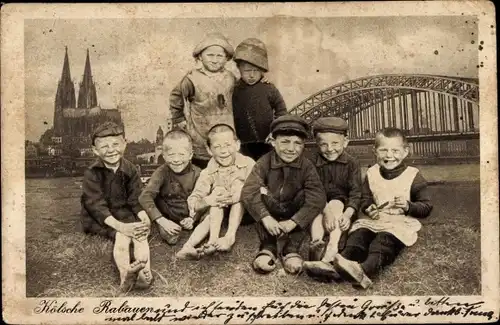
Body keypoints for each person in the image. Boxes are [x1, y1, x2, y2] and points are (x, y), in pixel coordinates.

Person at [332, 127, 433, 289]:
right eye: (383, 150)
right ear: (375, 152)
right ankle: (341, 264)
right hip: (375, 221)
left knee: (382, 243)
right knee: (358, 236)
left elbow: (426, 206)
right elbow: (365, 198)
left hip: (398, 224)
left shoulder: (413, 175)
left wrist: (408, 206)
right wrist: (368, 207)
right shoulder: (372, 173)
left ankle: (365, 271)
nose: (389, 155)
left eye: (395, 150)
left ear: (405, 152)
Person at [241, 115, 327, 275]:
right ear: (273, 142)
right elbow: (249, 191)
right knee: (258, 195)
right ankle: (268, 247)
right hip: (271, 211)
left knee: (308, 199)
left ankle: (291, 249)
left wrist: (295, 221)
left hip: (294, 211)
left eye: (297, 143)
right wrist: (265, 217)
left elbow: (318, 197)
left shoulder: (307, 166)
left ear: (303, 146)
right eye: (285, 142)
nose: (291, 148)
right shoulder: (263, 162)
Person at [80, 122, 152, 292]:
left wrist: (144, 217)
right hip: (99, 219)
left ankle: (144, 274)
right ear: (95, 151)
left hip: (124, 214)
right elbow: (95, 205)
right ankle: (125, 276)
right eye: (104, 147)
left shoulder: (131, 169)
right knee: (122, 237)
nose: (111, 150)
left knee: (140, 235)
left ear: (124, 144)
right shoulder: (92, 173)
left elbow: (135, 199)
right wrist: (121, 227)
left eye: (115, 144)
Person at [176, 124, 255, 259]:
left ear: (237, 145)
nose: (223, 151)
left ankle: (229, 237)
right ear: (209, 150)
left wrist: (235, 197)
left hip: (244, 210)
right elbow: (194, 200)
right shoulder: (208, 171)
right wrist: (209, 200)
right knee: (217, 193)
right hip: (218, 212)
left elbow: (257, 188)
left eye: (227, 145)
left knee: (239, 185)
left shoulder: (248, 163)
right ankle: (192, 246)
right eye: (217, 147)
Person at [302, 117, 362, 281]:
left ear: (345, 142)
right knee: (317, 211)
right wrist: (325, 210)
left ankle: (331, 246)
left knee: (336, 204)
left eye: (335, 143)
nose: (330, 149)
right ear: (316, 143)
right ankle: (317, 244)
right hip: (317, 204)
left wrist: (348, 214)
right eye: (324, 144)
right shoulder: (311, 162)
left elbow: (356, 193)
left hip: (341, 207)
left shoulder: (352, 163)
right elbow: (313, 190)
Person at [169, 32, 237, 169]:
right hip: (201, 132)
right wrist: (178, 119)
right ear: (200, 56)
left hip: (225, 130)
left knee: (226, 167)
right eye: (210, 55)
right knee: (203, 170)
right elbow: (176, 96)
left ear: (226, 58)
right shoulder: (192, 78)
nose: (215, 60)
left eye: (219, 56)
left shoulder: (231, 78)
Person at [139, 130, 201, 246]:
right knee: (171, 237)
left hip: (191, 213)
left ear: (191, 155)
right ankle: (163, 224)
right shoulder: (161, 172)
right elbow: (145, 197)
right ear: (164, 156)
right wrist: (162, 220)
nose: (176, 159)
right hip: (168, 214)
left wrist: (193, 218)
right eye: (171, 155)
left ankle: (196, 229)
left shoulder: (198, 173)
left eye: (181, 154)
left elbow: (203, 198)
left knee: (210, 211)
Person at [232, 38, 287, 161]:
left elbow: (281, 110)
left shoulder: (269, 88)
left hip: (267, 140)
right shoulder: (234, 89)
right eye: (247, 71)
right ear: (239, 69)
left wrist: (275, 131)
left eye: (256, 71)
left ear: (262, 70)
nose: (251, 75)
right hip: (243, 143)